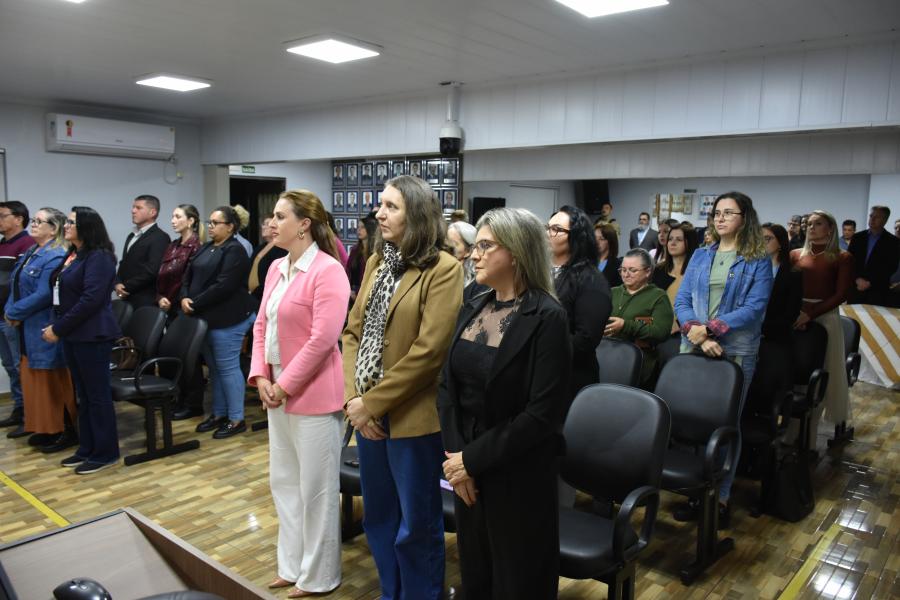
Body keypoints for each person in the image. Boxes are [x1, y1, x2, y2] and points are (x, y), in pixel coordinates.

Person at [438, 207, 571, 599]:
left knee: (517, 582)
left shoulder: (547, 317)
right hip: (467, 470)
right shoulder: (474, 304)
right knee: (476, 576)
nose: (474, 255)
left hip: (516, 473)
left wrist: (471, 460)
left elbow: (541, 414)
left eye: (485, 246)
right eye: (476, 246)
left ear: (515, 252)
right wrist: (458, 460)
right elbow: (447, 387)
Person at [342, 175, 462, 600]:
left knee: (417, 526)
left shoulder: (444, 269)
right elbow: (353, 334)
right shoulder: (378, 261)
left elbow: (429, 353)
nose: (379, 214)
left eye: (391, 206)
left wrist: (371, 404)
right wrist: (354, 400)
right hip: (367, 417)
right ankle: (390, 593)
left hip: (412, 419)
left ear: (418, 215)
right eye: (381, 205)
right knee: (379, 518)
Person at [249, 190, 349, 598]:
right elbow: (261, 326)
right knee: (285, 483)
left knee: (316, 491)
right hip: (276, 393)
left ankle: (320, 575)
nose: (272, 223)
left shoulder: (328, 271)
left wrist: (284, 384)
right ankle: (290, 565)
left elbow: (323, 340)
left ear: (304, 224)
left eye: (280, 216)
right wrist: (260, 376)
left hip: (313, 396)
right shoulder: (277, 267)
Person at [674, 191, 772, 520]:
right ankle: (694, 490)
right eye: (717, 212)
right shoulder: (701, 255)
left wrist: (711, 330)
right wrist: (697, 333)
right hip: (695, 345)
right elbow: (682, 300)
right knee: (692, 421)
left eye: (729, 212)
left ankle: (721, 497)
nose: (720, 217)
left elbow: (754, 308)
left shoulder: (757, 259)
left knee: (725, 425)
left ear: (745, 218)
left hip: (735, 350)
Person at [44, 207, 121, 475]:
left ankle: (106, 452)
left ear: (87, 227)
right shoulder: (75, 254)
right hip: (74, 334)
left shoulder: (100, 257)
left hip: (92, 335)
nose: (66, 226)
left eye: (71, 222)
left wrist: (59, 328)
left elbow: (91, 300)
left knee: (97, 396)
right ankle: (87, 448)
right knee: (84, 396)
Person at [5, 208, 76, 453]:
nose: (32, 224)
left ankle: (63, 430)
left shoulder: (55, 255)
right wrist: (10, 310)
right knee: (33, 379)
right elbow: (15, 285)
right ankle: (45, 428)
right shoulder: (31, 252)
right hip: (26, 326)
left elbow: (44, 294)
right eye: (33, 220)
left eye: (38, 221)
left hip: (42, 325)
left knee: (51, 380)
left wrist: (14, 313)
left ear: (53, 229)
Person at [181, 206, 255, 439]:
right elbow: (188, 275)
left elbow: (224, 286)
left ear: (230, 226)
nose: (210, 226)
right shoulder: (206, 247)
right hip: (206, 318)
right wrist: (184, 296)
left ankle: (236, 419)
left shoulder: (235, 250)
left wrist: (194, 303)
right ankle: (219, 413)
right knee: (214, 369)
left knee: (227, 367)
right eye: (209, 222)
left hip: (229, 319)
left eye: (216, 222)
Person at [791, 210, 854, 448]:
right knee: (795, 375)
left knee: (819, 377)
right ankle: (791, 431)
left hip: (825, 319)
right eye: (808, 224)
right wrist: (796, 314)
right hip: (795, 318)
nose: (811, 227)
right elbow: (788, 287)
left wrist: (810, 314)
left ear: (830, 229)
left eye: (818, 224)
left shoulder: (842, 257)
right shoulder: (795, 254)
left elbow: (841, 294)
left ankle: (809, 435)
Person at [547, 205, 610, 401]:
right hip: (543, 373)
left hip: (570, 379)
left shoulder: (591, 279)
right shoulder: (543, 271)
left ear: (576, 237)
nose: (548, 234)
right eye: (547, 227)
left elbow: (585, 340)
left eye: (556, 229)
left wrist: (541, 349)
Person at [156, 204, 205, 421]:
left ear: (191, 221)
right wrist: (160, 297)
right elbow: (161, 276)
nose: (173, 220)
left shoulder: (197, 247)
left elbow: (187, 280)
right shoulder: (173, 245)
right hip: (167, 307)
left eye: (178, 216)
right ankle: (178, 397)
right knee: (172, 355)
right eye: (172, 216)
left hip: (183, 308)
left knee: (189, 358)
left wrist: (174, 300)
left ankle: (193, 403)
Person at [751, 223, 803, 409]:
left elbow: (790, 314)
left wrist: (761, 329)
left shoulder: (793, 274)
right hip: (748, 338)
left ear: (780, 243)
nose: (762, 243)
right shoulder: (750, 269)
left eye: (768, 239)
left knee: (767, 392)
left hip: (775, 340)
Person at [605, 248, 674, 388]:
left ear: (647, 271)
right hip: (606, 357)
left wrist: (626, 326)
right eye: (623, 270)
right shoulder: (612, 292)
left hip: (639, 364)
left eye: (632, 270)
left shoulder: (658, 297)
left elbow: (661, 332)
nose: (626, 274)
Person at [0, 201, 34, 435]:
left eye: (2, 216)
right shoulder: (3, 244)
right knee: (9, 366)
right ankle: (19, 408)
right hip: (0, 315)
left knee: (18, 365)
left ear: (19, 218)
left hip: (12, 316)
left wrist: (15, 311)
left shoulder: (27, 244)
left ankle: (30, 415)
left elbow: (20, 284)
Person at [115, 194, 171, 308]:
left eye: (139, 208)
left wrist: (125, 287)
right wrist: (117, 283)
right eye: (133, 207)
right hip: (126, 297)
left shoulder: (160, 237)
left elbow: (152, 271)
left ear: (152, 212)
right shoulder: (131, 235)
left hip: (144, 299)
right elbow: (124, 263)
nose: (133, 211)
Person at [847, 206, 899, 307]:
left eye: (877, 217)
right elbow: (849, 261)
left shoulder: (893, 242)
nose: (872, 219)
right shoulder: (858, 237)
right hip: (856, 288)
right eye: (871, 216)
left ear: (885, 220)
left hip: (878, 291)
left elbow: (891, 267)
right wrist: (857, 279)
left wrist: (870, 282)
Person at [652, 222, 698, 333]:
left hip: (688, 330)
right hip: (658, 329)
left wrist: (680, 325)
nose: (672, 243)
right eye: (670, 239)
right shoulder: (658, 270)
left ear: (689, 242)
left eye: (679, 239)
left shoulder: (698, 271)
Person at [249, 217, 288, 310]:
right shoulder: (259, 248)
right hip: (253, 298)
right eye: (263, 224)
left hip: (267, 297)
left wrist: (257, 292)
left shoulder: (282, 249)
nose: (263, 227)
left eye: (268, 224)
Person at [346, 215, 377, 304]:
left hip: (369, 295)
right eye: (358, 227)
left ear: (369, 229)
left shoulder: (375, 252)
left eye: (362, 227)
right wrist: (350, 291)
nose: (359, 230)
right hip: (353, 294)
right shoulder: (354, 250)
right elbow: (348, 271)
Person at [447, 220, 477, 288]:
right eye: (446, 243)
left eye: (453, 244)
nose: (447, 247)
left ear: (469, 251)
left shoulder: (477, 283)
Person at [594, 222, 621, 288]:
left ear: (611, 242)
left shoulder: (618, 266)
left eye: (601, 239)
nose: (596, 242)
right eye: (594, 238)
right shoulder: (586, 262)